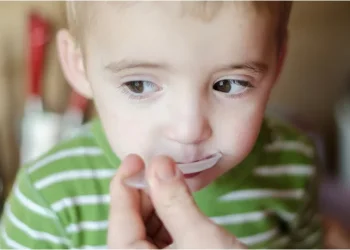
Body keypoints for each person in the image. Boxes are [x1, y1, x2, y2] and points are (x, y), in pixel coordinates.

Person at [0, 1, 323, 249]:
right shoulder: (47, 198)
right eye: (139, 85)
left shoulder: (294, 163)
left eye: (229, 84)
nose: (189, 131)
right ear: (79, 65)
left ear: (277, 62)